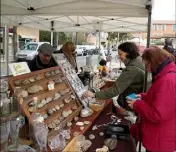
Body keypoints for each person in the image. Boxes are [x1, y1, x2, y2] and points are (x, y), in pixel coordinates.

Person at [128, 47, 176, 152]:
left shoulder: (167, 80)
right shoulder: (165, 76)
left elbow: (158, 114)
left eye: (147, 65)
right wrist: (143, 96)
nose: (146, 68)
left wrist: (137, 104)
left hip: (160, 139)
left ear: (154, 61)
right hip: (161, 136)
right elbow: (161, 99)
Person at [83, 42, 145, 110]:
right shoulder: (139, 62)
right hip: (136, 99)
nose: (119, 57)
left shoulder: (132, 69)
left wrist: (94, 95)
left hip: (132, 102)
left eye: (121, 54)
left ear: (128, 53)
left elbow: (115, 90)